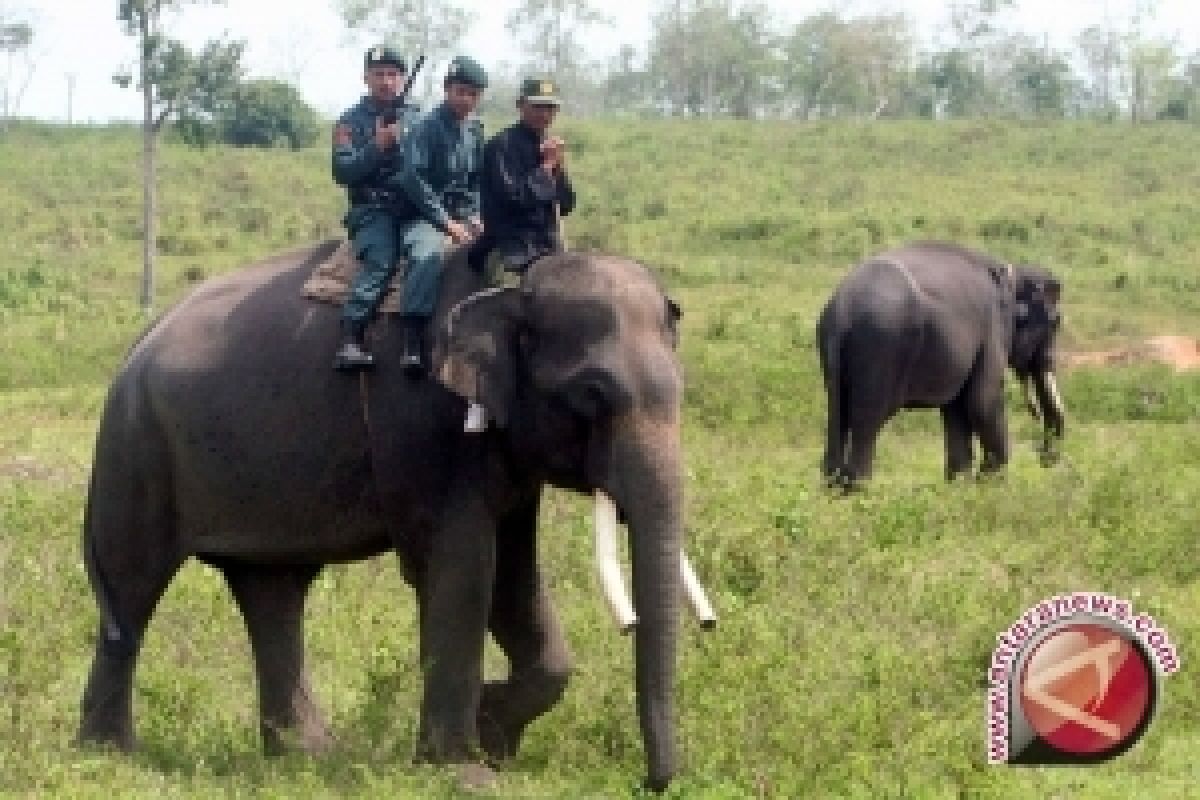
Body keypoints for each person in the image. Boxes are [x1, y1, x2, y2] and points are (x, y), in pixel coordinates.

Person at [388, 55, 488, 377]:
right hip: (423, 216)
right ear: (447, 90)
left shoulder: (474, 131)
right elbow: (412, 179)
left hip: (462, 215)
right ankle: (413, 339)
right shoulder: (424, 128)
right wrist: (445, 222)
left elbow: (475, 181)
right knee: (427, 253)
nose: (466, 99)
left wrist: (475, 215)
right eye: (460, 91)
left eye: (472, 94)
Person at [332, 45, 423, 372]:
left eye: (393, 74)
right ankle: (351, 338)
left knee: (429, 257)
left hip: (416, 207)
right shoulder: (349, 122)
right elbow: (343, 172)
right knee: (381, 260)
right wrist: (377, 146)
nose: (386, 81)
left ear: (401, 78)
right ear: (366, 78)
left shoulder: (418, 118)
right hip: (373, 210)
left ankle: (416, 343)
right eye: (379, 74)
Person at [470, 77, 575, 276]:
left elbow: (566, 205)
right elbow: (513, 200)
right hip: (510, 246)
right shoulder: (501, 146)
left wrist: (558, 170)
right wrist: (546, 168)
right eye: (537, 107)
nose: (544, 114)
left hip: (546, 244)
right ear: (520, 105)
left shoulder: (550, 147)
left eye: (550, 108)